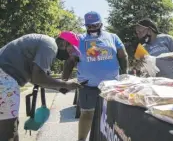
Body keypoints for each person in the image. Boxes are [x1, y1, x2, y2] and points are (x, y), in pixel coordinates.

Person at [0, 31, 82, 141]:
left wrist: (58, 87)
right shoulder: (50, 46)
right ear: (64, 43)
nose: (71, 54)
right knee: (8, 130)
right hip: (4, 79)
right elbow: (38, 77)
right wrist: (65, 84)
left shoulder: (44, 42)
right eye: (71, 50)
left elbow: (37, 78)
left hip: (4, 77)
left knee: (9, 125)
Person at [62, 11, 128, 141]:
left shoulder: (112, 37)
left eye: (95, 25)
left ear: (101, 24)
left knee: (113, 117)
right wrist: (64, 82)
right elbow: (70, 61)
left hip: (111, 86)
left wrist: (125, 74)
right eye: (89, 26)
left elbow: (123, 55)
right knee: (87, 114)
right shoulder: (79, 39)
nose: (92, 28)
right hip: (88, 85)